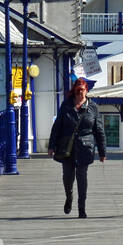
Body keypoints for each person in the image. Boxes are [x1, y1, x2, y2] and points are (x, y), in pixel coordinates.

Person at [48, 78, 106, 218]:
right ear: (74, 91)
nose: (81, 93)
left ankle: (82, 208)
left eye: (83, 90)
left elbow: (99, 130)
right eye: (78, 90)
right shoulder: (66, 105)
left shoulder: (93, 107)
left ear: (87, 91)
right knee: (68, 177)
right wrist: (51, 145)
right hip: (67, 147)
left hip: (85, 147)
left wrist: (102, 152)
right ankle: (69, 196)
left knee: (82, 177)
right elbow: (57, 127)